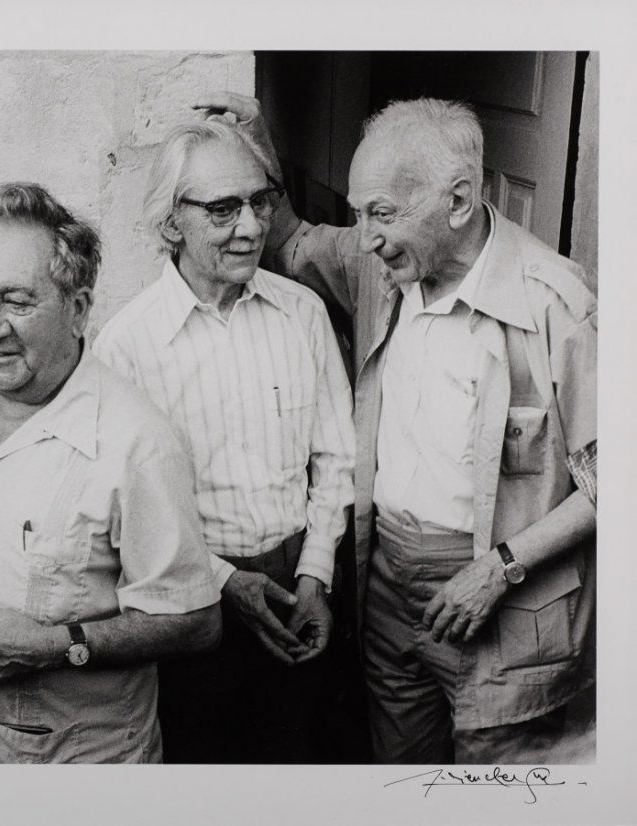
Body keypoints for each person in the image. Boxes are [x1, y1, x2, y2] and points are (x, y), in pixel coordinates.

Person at [199, 92, 597, 763]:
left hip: (504, 597)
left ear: (460, 202)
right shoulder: (379, 263)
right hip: (386, 583)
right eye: (360, 213)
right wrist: (260, 145)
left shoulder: (557, 302)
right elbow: (291, 242)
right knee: (401, 777)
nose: (367, 234)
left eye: (382, 213)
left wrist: (500, 569)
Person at [0, 182, 222, 763]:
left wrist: (56, 646)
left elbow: (195, 621)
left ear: (77, 310)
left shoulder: (136, 443)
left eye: (17, 302)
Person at [93, 120, 355, 763]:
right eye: (222, 208)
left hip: (300, 588)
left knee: (300, 767)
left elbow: (335, 457)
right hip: (188, 605)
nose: (251, 225)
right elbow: (127, 513)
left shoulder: (303, 314)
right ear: (170, 223)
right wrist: (224, 582)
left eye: (260, 200)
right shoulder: (125, 347)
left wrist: (316, 576)